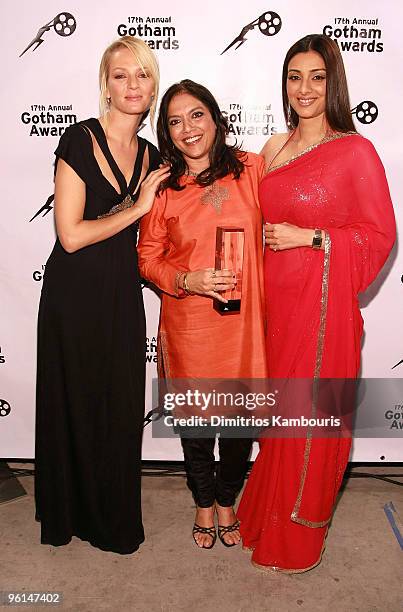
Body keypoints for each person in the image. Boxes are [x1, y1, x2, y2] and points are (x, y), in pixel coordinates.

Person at [238, 34, 396, 572]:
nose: (304, 89)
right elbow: (245, 221)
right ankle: (268, 516)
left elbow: (379, 234)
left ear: (333, 84)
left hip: (322, 308)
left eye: (316, 77)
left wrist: (315, 239)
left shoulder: (355, 150)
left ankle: (301, 535)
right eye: (294, 76)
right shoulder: (271, 150)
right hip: (273, 308)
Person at [35, 36, 170, 554]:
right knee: (72, 398)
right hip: (73, 290)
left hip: (121, 290)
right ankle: (65, 515)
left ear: (153, 85)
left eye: (142, 75)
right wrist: (137, 208)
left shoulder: (154, 156)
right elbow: (68, 235)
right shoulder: (77, 138)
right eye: (121, 75)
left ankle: (110, 516)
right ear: (105, 85)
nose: (132, 85)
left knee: (115, 405)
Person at [137, 79, 267, 549]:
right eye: (175, 121)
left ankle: (228, 501)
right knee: (197, 427)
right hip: (190, 324)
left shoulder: (253, 169)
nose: (188, 128)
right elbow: (147, 258)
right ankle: (203, 503)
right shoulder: (165, 189)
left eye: (196, 115)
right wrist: (186, 281)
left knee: (238, 425)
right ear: (166, 133)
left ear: (215, 118)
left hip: (246, 326)